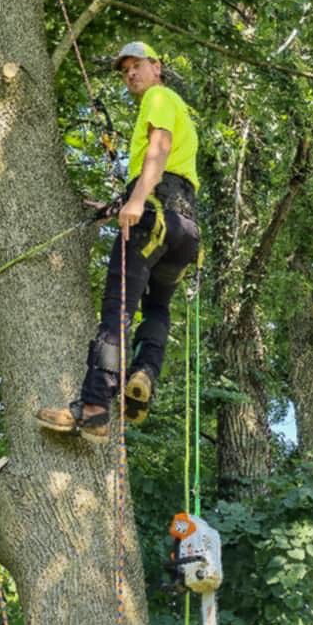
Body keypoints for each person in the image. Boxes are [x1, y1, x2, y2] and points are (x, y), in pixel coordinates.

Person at [37, 41, 200, 445]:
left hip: (156, 213)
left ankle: (93, 410)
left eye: (137, 65)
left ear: (157, 66)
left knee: (118, 310)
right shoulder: (181, 111)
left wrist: (140, 199)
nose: (130, 74)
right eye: (124, 69)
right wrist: (124, 203)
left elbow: (158, 149)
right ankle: (143, 377)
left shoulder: (161, 97)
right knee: (157, 307)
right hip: (185, 229)